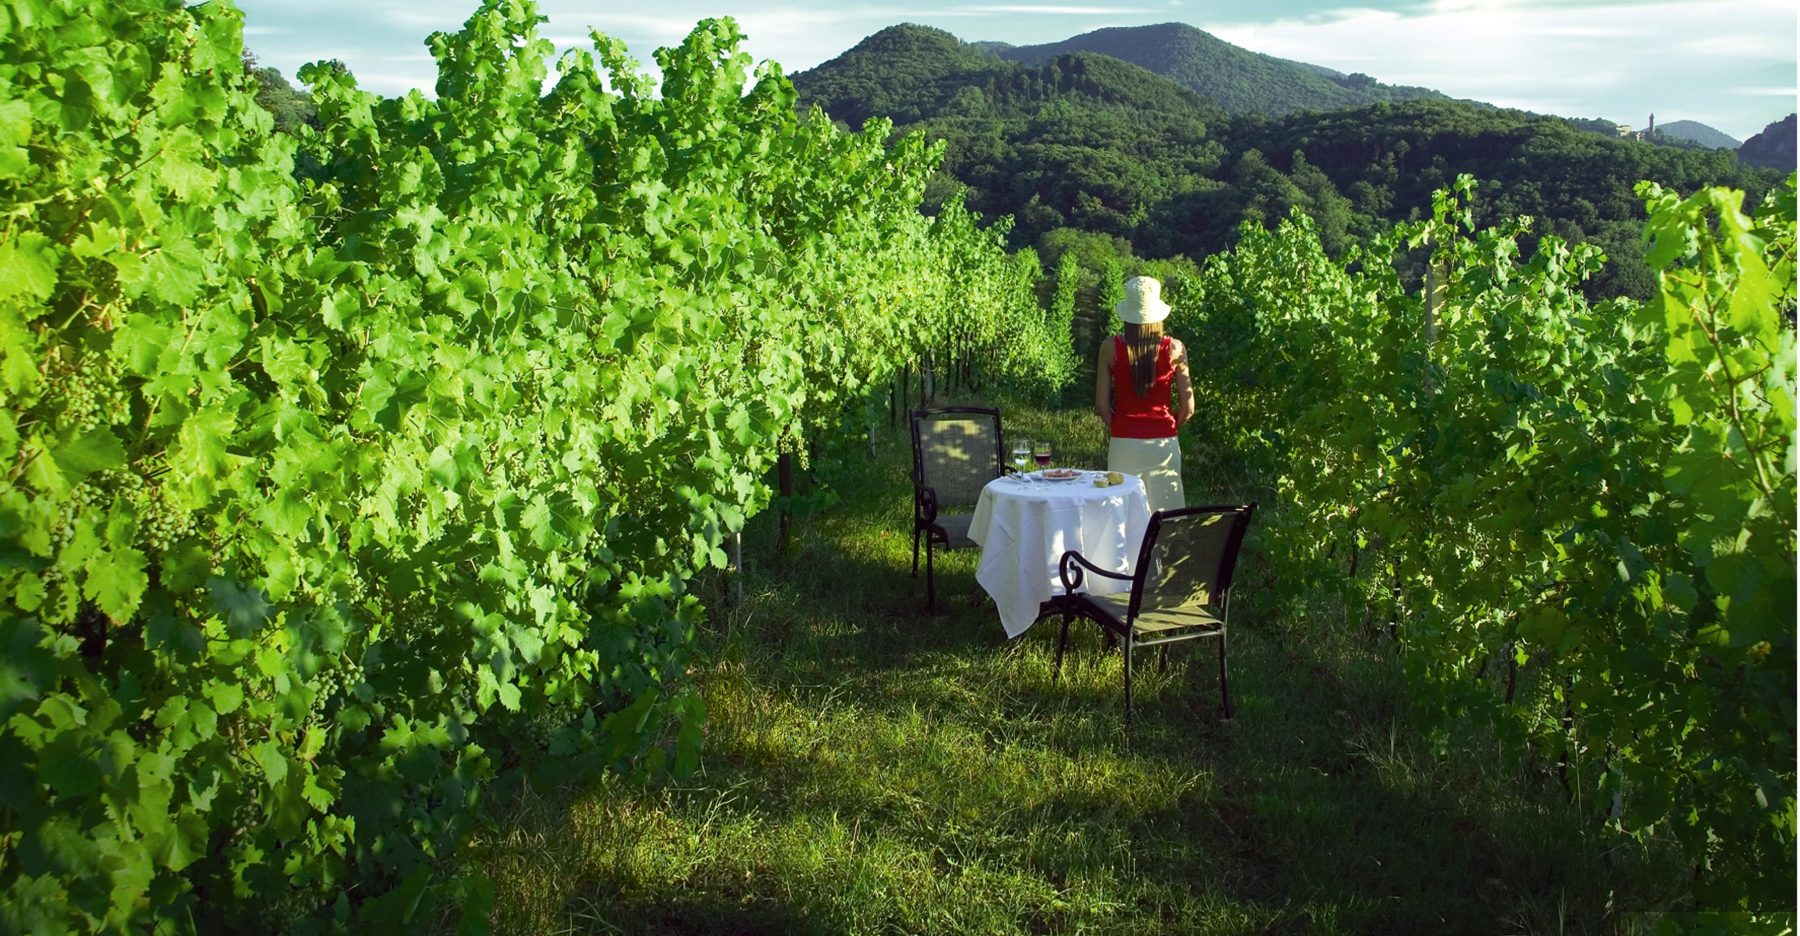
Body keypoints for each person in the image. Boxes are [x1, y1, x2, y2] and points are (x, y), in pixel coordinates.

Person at [1095, 275, 1194, 514]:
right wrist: (1168, 426)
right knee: (1166, 517)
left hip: (1123, 443)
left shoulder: (1110, 348)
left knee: (1121, 515)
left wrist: (1121, 425)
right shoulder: (1175, 349)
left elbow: (1101, 405)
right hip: (1163, 444)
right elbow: (1188, 407)